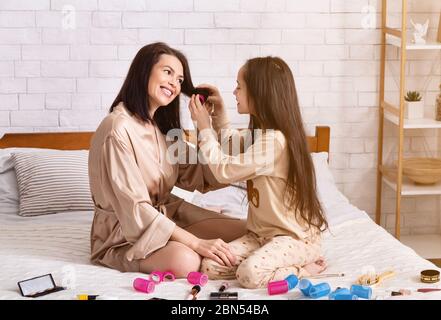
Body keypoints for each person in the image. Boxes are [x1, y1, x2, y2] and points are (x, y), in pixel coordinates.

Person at [88, 42, 246, 277]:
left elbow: (209, 174)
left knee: (250, 231)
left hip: (169, 215)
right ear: (144, 72)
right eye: (168, 72)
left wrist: (216, 119)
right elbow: (136, 209)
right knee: (186, 260)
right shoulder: (116, 128)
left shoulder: (162, 130)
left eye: (180, 79)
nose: (174, 83)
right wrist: (195, 243)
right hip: (125, 232)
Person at [189, 56, 328, 289]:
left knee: (249, 275)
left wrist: (204, 128)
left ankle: (302, 270)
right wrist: (218, 114)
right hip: (261, 236)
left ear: (259, 93)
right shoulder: (262, 135)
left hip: (294, 238)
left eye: (239, 86)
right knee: (211, 266)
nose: (234, 92)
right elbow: (230, 143)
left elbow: (225, 170)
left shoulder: (275, 141)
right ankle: (277, 264)